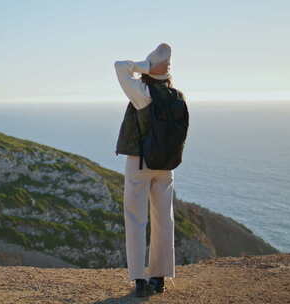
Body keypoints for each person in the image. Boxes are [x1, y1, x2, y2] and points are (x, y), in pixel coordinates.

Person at [113, 43, 176, 297]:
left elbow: (119, 67)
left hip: (140, 163)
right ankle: (159, 278)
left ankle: (139, 279)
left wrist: (143, 66)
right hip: (166, 165)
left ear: (150, 70)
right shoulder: (176, 95)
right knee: (164, 220)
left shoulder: (143, 92)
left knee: (136, 220)